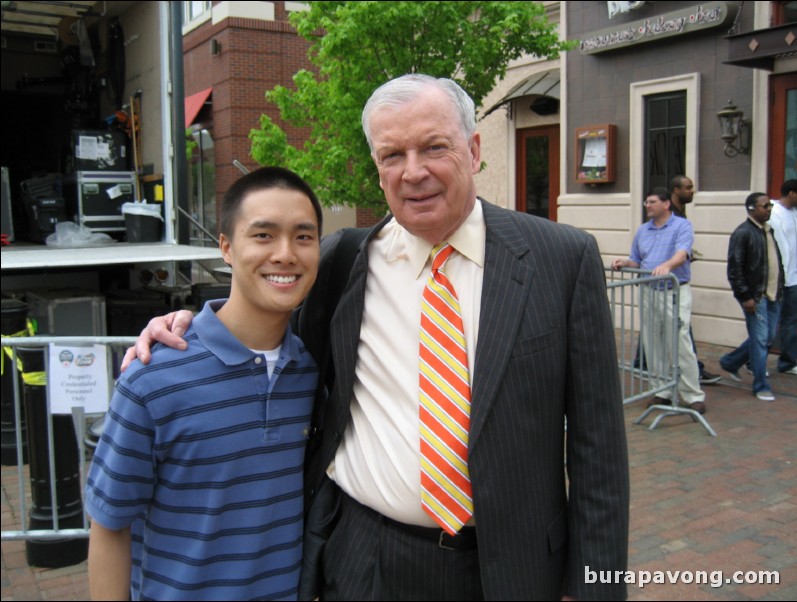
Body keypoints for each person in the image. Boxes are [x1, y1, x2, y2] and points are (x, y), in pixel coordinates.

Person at [126, 74, 630, 600]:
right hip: (366, 563)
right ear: (377, 168)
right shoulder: (341, 262)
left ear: (474, 149)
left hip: (515, 571)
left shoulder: (562, 260)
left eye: (435, 147)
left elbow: (600, 455)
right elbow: (258, 311)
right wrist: (185, 325)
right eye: (393, 154)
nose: (414, 172)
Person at [86, 167, 322, 600]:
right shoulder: (152, 376)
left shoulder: (311, 372)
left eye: (304, 237)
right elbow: (109, 523)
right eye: (264, 236)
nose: (286, 254)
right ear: (227, 248)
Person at [612, 187, 706, 414]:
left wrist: (667, 266)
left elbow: (682, 253)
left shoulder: (681, 225)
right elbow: (637, 260)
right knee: (653, 342)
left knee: (679, 342)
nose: (647, 205)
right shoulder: (642, 231)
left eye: (652, 201)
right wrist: (625, 263)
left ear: (666, 204)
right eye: (646, 202)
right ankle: (661, 391)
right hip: (648, 290)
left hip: (673, 290)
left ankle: (693, 394)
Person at [719, 193, 784, 401]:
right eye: (764, 206)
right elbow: (735, 269)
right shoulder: (743, 233)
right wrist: (745, 296)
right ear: (751, 209)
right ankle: (760, 385)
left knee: (766, 338)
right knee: (760, 339)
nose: (769, 209)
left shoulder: (768, 231)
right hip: (756, 296)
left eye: (770, 206)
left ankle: (731, 361)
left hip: (773, 294)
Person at [669, 175, 721, 385]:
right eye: (688, 187)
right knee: (681, 328)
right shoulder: (670, 215)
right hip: (671, 281)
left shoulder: (681, 213)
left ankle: (640, 361)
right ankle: (693, 372)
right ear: (676, 190)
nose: (692, 191)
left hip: (675, 279)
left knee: (668, 326)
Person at [768, 179, 797, 375]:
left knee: (790, 321)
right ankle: (750, 361)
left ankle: (787, 362)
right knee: (769, 325)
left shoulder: (795, 213)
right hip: (777, 279)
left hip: (794, 278)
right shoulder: (772, 211)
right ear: (792, 193)